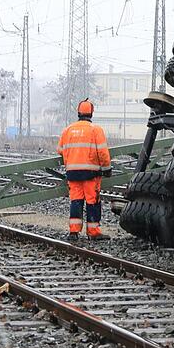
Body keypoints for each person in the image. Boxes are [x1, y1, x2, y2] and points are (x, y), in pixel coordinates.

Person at [57, 99, 111, 241]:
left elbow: (60, 150)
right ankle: (93, 232)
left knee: (76, 201)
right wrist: (107, 168)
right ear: (91, 113)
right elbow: (103, 152)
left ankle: (74, 232)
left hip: (73, 173)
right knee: (92, 202)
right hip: (91, 174)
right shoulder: (95, 130)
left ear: (78, 112)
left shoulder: (67, 130)